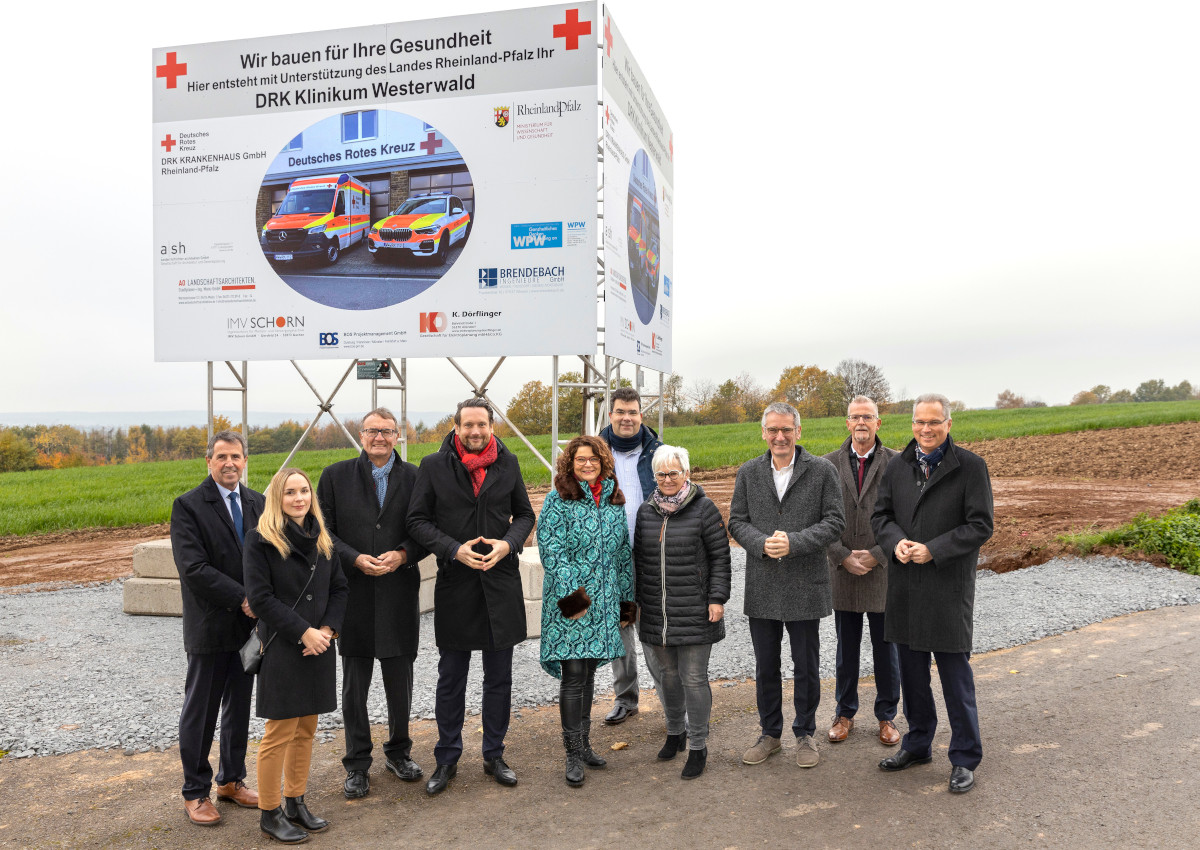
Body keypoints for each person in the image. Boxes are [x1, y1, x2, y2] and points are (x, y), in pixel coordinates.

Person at [408, 398, 536, 795]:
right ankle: (446, 758)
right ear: (456, 426)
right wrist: (452, 549)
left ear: (491, 426)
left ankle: (494, 754)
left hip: (499, 585)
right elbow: (416, 520)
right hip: (456, 585)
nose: (475, 431)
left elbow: (525, 515)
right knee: (451, 680)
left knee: (499, 679)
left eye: (481, 424)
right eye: (468, 425)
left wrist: (508, 544)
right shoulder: (432, 466)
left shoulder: (508, 463)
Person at [872, 393, 993, 794]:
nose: (926, 430)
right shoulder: (897, 466)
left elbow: (980, 525)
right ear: (911, 425)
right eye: (920, 423)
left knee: (956, 679)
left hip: (946, 587)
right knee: (913, 676)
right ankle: (918, 744)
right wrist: (896, 543)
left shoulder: (971, 467)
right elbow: (881, 516)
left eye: (934, 423)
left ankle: (964, 758)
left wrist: (934, 549)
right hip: (905, 587)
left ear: (948, 424)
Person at [316, 407, 428, 800]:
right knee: (354, 687)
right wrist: (353, 558)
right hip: (354, 592)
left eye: (387, 431)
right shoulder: (335, 476)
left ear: (398, 436)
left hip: (398, 591)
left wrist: (402, 555)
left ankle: (399, 752)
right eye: (371, 431)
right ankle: (357, 763)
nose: (378, 438)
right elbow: (323, 529)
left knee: (400, 682)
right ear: (360, 435)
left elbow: (425, 529)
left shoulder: (416, 478)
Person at [729, 402, 845, 769]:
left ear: (799, 432)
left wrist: (794, 542)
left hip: (805, 583)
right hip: (763, 583)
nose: (780, 437)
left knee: (806, 664)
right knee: (766, 665)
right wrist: (760, 543)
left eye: (787, 430)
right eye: (773, 430)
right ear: (763, 433)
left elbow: (834, 522)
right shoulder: (748, 473)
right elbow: (736, 521)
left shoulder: (822, 471)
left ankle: (805, 733)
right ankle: (770, 734)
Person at [244, 467, 348, 843]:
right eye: (290, 492)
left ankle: (295, 801)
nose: (299, 498)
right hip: (283, 647)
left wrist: (327, 630)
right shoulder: (260, 540)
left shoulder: (323, 538)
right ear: (277, 497)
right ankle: (269, 812)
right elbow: (260, 599)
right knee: (279, 732)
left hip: (319, 645)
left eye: (304, 491)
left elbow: (340, 588)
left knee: (307, 729)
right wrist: (303, 630)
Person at [170, 430, 263, 827]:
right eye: (221, 456)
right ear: (208, 461)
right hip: (211, 626)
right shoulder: (189, 506)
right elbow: (194, 569)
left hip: (250, 630)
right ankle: (195, 791)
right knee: (202, 710)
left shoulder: (258, 502)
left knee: (239, 707)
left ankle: (231, 780)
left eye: (236, 457)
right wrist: (244, 596)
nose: (230, 463)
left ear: (245, 461)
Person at [536, 436, 634, 787]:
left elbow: (623, 554)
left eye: (594, 459)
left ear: (603, 462)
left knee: (590, 674)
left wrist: (626, 603)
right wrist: (573, 601)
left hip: (605, 604)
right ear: (570, 464)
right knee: (574, 675)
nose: (588, 464)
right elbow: (552, 551)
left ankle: (586, 744)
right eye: (581, 460)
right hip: (573, 607)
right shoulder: (558, 500)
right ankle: (572, 754)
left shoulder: (612, 500)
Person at [633, 445, 731, 780]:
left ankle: (698, 745)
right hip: (656, 613)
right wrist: (636, 604)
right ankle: (675, 732)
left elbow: (720, 558)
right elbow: (639, 562)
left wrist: (717, 598)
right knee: (668, 677)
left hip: (695, 610)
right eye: (661, 474)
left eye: (674, 473)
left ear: (686, 474)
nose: (667, 479)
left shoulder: (704, 510)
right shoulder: (646, 512)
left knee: (693, 677)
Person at [822, 396, 902, 747]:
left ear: (878, 423)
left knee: (887, 649)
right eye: (855, 417)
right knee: (846, 647)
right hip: (843, 572)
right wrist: (840, 555)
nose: (861, 423)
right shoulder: (826, 465)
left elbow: (907, 518)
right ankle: (845, 712)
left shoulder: (899, 464)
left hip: (883, 569)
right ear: (847, 422)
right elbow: (819, 519)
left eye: (868, 417)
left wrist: (877, 555)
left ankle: (887, 716)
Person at [598, 387, 663, 726]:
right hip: (613, 561)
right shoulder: (593, 453)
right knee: (623, 625)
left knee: (653, 627)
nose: (627, 418)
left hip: (651, 556)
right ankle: (626, 698)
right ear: (610, 415)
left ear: (641, 415)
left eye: (633, 412)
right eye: (620, 411)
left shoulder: (659, 452)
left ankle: (671, 699)